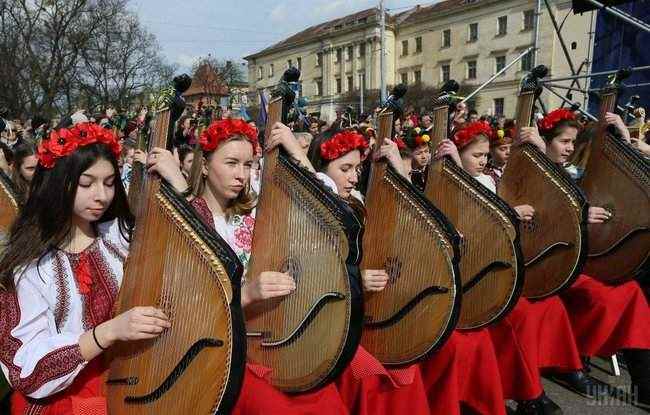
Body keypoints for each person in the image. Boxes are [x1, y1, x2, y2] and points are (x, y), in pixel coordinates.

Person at [147, 118, 349, 414]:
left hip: (271, 337)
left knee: (325, 397)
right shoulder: (181, 221)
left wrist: (295, 151)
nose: (241, 174)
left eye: (248, 165)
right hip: (220, 351)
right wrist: (248, 294)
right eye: (231, 163)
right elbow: (189, 301)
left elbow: (325, 203)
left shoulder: (256, 213)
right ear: (203, 165)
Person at [0, 122, 176, 415]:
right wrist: (107, 332)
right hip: (69, 389)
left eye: (109, 183)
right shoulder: (31, 265)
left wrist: (177, 182)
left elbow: (197, 257)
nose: (101, 196)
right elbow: (25, 367)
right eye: (87, 183)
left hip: (140, 368)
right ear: (59, 182)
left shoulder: (121, 234)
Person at [539, 108, 650, 408]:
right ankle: (571, 361)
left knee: (632, 291)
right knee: (603, 297)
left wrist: (625, 140)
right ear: (545, 141)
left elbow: (615, 172)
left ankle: (645, 382)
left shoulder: (572, 172)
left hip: (580, 260)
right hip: (550, 264)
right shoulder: (533, 171)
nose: (569, 148)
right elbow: (539, 221)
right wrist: (578, 216)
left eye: (572, 142)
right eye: (563, 141)